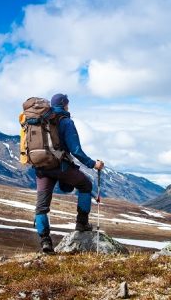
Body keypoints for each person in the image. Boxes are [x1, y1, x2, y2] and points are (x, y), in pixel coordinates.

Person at [33, 93, 104, 253]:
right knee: (85, 185)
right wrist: (93, 164)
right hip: (60, 167)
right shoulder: (66, 121)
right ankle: (82, 223)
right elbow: (75, 150)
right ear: (64, 104)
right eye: (68, 104)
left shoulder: (39, 121)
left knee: (41, 207)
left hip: (41, 168)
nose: (68, 107)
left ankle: (45, 242)